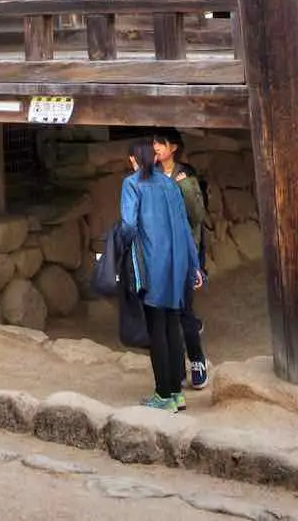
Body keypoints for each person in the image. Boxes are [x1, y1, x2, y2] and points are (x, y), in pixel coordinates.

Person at [120, 132, 202, 411]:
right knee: (171, 326)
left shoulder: (131, 184)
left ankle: (163, 395)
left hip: (152, 265)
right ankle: (177, 393)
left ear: (134, 160)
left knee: (156, 329)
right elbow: (185, 228)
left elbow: (129, 225)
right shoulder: (169, 185)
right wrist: (194, 265)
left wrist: (118, 244)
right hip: (178, 264)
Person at [158, 129, 209, 391]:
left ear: (174, 148)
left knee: (184, 313)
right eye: (153, 143)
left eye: (161, 143)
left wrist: (184, 186)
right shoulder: (151, 174)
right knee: (167, 316)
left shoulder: (186, 175)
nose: (155, 147)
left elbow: (197, 216)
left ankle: (198, 361)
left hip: (183, 254)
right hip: (159, 255)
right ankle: (176, 368)